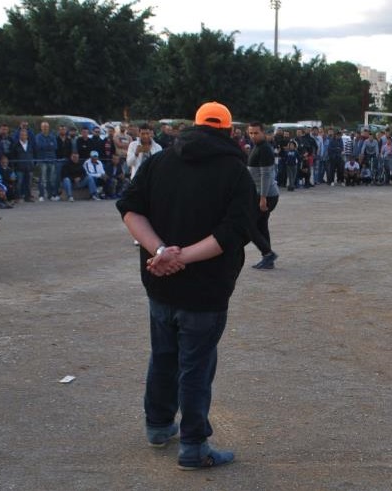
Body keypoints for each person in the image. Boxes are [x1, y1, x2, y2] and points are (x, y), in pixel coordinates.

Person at [116, 101, 254, 471]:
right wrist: (183, 256)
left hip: (159, 281)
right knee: (196, 366)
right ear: (228, 131)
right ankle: (193, 446)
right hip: (205, 289)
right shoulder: (236, 172)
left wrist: (161, 251)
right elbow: (235, 232)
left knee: (163, 354)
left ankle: (158, 425)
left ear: (192, 126)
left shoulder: (159, 161)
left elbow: (130, 208)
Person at [246, 122, 279, 270]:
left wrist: (263, 198)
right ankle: (268, 259)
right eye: (251, 133)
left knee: (248, 225)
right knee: (261, 225)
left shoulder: (264, 149)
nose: (253, 136)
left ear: (263, 133)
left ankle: (268, 254)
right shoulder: (257, 147)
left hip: (265, 196)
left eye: (256, 133)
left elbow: (266, 175)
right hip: (260, 194)